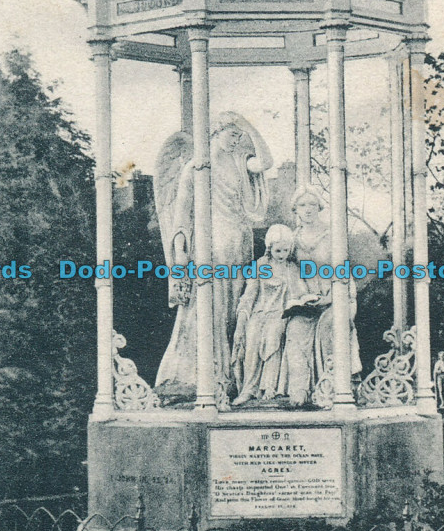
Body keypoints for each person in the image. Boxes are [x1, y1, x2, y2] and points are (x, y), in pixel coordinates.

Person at [154, 112, 272, 401]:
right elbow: (181, 213)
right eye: (232, 135)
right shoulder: (195, 166)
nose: (236, 141)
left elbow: (266, 162)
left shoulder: (238, 161)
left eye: (238, 136)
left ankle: (235, 378)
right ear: (216, 132)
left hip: (240, 241)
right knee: (211, 307)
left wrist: (248, 124)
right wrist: (180, 251)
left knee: (237, 307)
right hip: (212, 245)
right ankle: (206, 377)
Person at [277, 185, 362, 406]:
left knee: (330, 325)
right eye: (302, 205)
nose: (307, 210)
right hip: (309, 301)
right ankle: (300, 389)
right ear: (295, 209)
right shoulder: (292, 240)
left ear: (319, 207)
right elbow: (291, 274)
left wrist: (330, 298)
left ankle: (332, 387)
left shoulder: (332, 236)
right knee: (295, 328)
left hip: (338, 297)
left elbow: (342, 273)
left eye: (312, 205)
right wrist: (304, 298)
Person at [231, 224, 315, 406]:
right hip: (259, 313)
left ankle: (269, 387)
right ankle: (248, 389)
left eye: (286, 250)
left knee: (273, 334)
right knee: (252, 336)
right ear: (269, 248)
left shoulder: (292, 268)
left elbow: (301, 292)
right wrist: (242, 320)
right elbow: (249, 295)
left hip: (281, 314)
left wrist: (305, 300)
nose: (282, 254)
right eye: (278, 250)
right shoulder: (260, 266)